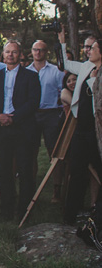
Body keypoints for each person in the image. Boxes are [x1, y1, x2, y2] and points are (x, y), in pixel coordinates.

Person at [0, 41, 41, 221]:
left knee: (25, 170)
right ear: (3, 54)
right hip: (2, 129)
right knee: (4, 172)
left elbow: (34, 102)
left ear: (20, 55)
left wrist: (14, 117)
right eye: (8, 52)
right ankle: (6, 210)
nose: (10, 55)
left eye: (14, 52)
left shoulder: (31, 76)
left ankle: (25, 210)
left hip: (22, 128)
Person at [64, 37, 102, 225]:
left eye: (93, 48)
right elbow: (66, 63)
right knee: (77, 169)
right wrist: (62, 42)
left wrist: (94, 82)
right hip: (81, 126)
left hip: (98, 129)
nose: (89, 51)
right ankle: (71, 215)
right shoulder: (86, 67)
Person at [27, 39, 65, 202]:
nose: (38, 53)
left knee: (54, 152)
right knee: (31, 152)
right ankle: (32, 189)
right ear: (31, 51)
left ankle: (57, 189)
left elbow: (62, 91)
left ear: (46, 52)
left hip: (51, 113)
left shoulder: (55, 71)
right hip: (33, 115)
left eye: (41, 50)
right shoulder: (26, 71)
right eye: (35, 50)